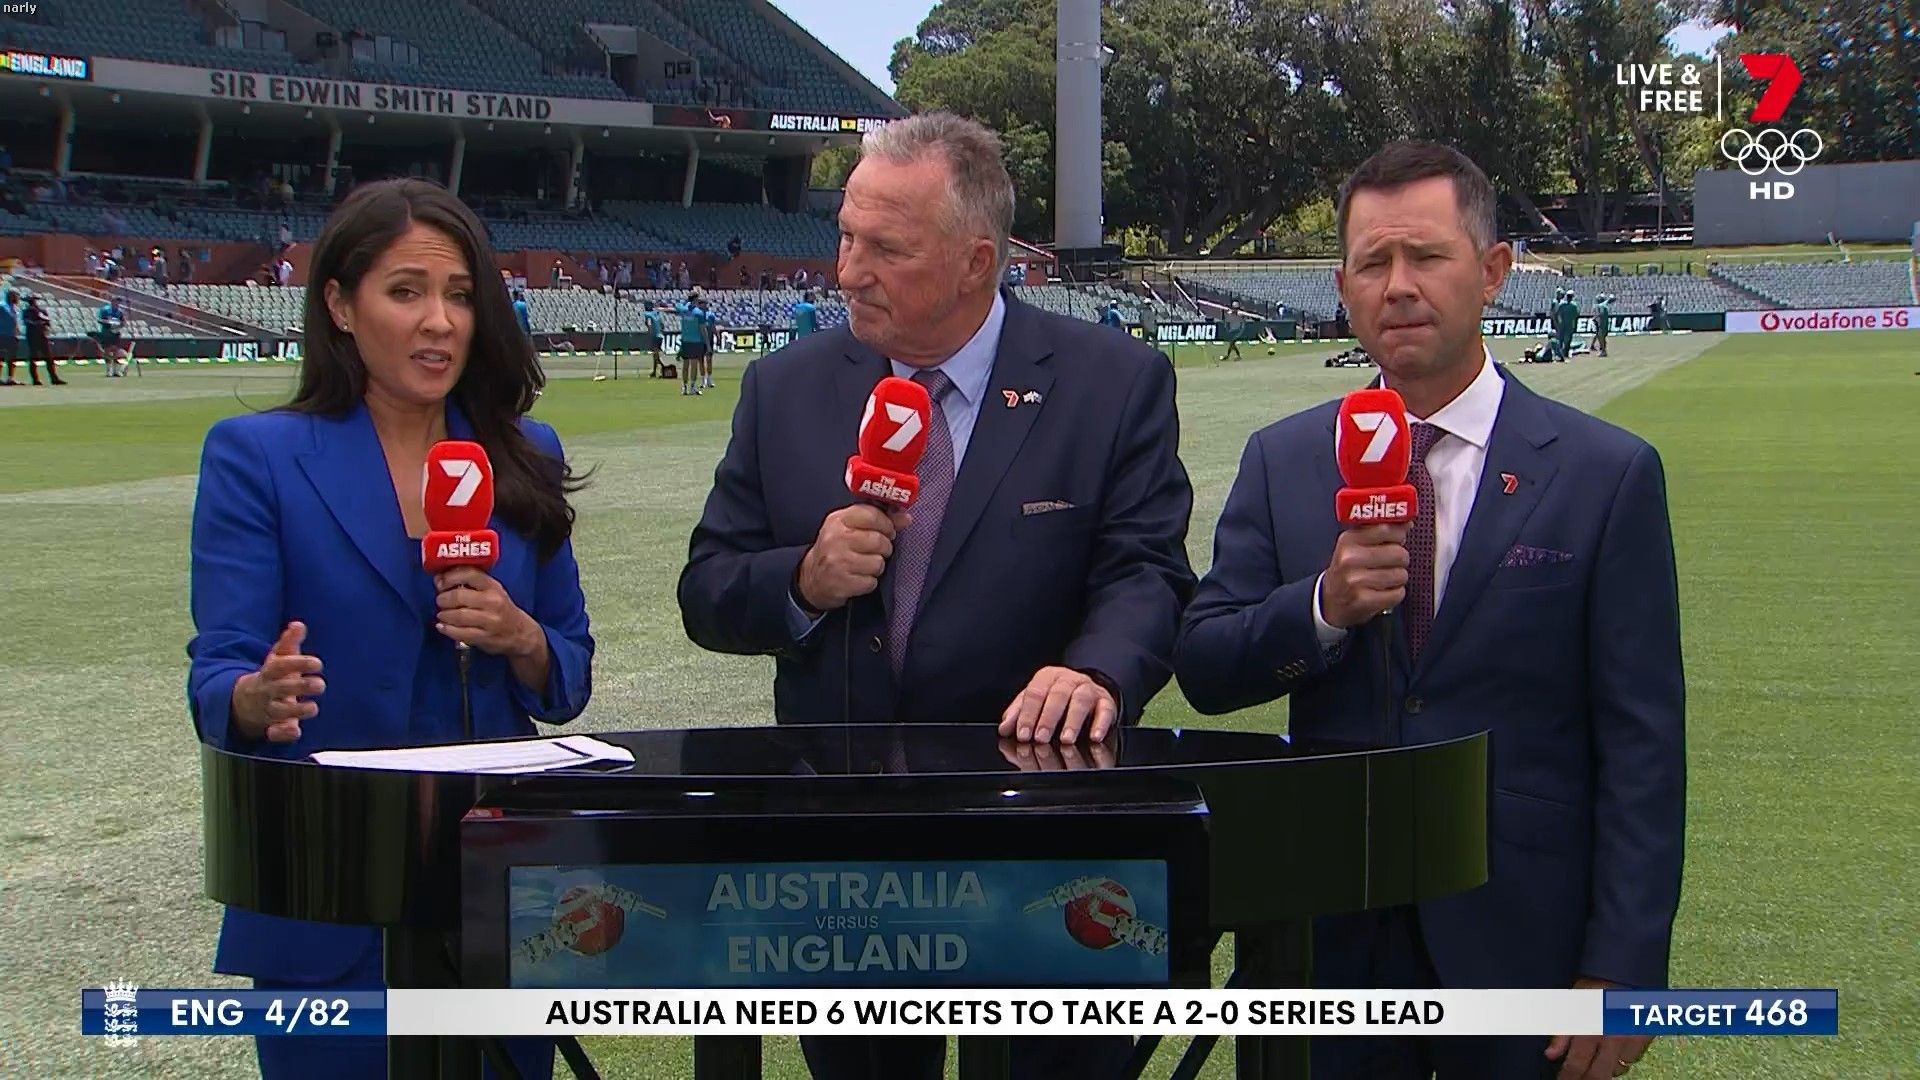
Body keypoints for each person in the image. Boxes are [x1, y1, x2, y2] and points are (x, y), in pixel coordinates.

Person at [677, 111, 1195, 1080]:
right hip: (849, 857)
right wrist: (801, 579)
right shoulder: (783, 391)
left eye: (886, 249)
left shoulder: (1111, 384)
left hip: (1047, 840)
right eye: (845, 237)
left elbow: (1149, 572)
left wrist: (1096, 673)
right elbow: (707, 588)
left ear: (976, 262)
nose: (847, 271)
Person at [1173, 141, 1684, 1080]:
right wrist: (1322, 608)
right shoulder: (1283, 460)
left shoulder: (1605, 475)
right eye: (1373, 263)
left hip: (1524, 940)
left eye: (1428, 257)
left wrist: (1625, 962)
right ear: (1342, 287)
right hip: (1326, 947)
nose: (1399, 286)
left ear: (1492, 271)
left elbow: (1642, 744)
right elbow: (1205, 665)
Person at [185, 177, 595, 1080]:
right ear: (340, 304)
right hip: (327, 894)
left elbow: (569, 671)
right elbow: (218, 674)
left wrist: (521, 635)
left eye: (459, 295)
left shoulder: (527, 455)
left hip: (499, 895)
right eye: (406, 292)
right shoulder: (256, 457)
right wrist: (256, 698)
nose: (439, 322)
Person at [675, 290, 710, 396]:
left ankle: (684, 387)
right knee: (694, 365)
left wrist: (686, 302)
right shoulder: (698, 313)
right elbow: (703, 329)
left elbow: (677, 305)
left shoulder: (683, 309)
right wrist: (708, 344)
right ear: (696, 299)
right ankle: (692, 387)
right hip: (695, 341)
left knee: (685, 365)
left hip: (685, 340)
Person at [21, 295, 61, 385]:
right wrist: (38, 323)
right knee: (33, 358)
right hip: (32, 336)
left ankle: (54, 378)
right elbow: (27, 322)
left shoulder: (41, 311)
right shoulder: (27, 311)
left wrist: (44, 325)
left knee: (49, 358)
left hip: (42, 336)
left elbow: (47, 322)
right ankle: (35, 379)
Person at [96, 297, 129, 376]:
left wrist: (119, 326)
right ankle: (108, 370)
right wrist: (109, 322)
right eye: (116, 302)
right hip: (107, 333)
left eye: (119, 302)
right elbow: (99, 320)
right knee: (107, 351)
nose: (117, 304)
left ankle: (116, 370)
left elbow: (123, 322)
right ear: (112, 302)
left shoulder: (120, 312)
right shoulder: (105, 310)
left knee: (116, 351)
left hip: (115, 333)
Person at [0, 289, 19, 386]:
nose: (17, 298)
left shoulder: (14, 308)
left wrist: (16, 329)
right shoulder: (2, 306)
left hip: (12, 336)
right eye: (15, 296)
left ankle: (10, 378)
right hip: (2, 335)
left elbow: (14, 320)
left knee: (12, 357)